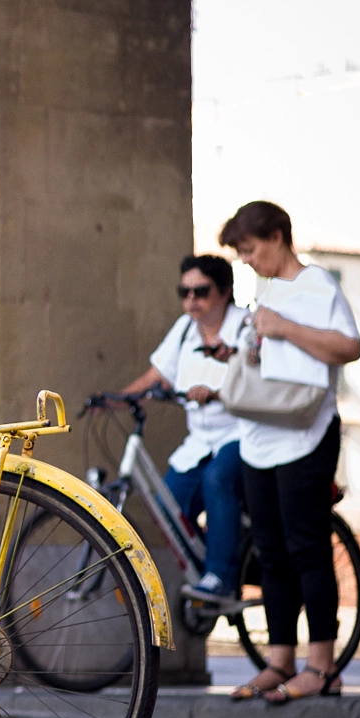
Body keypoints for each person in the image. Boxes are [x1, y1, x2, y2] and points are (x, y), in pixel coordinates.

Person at [218, 200, 360, 704]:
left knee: (308, 549)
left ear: (278, 236)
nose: (248, 260)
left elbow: (349, 347)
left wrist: (285, 330)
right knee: (272, 553)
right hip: (260, 438)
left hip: (306, 434)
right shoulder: (265, 293)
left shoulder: (317, 285)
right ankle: (280, 661)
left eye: (250, 249)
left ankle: (321, 668)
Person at [121, 253, 251, 604]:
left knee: (217, 480)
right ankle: (216, 564)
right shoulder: (183, 329)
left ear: (224, 292)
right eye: (185, 292)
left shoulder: (245, 326)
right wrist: (118, 399)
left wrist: (218, 393)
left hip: (241, 434)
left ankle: (222, 576)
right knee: (167, 505)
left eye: (201, 291)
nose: (191, 300)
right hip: (199, 441)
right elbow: (156, 377)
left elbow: (258, 380)